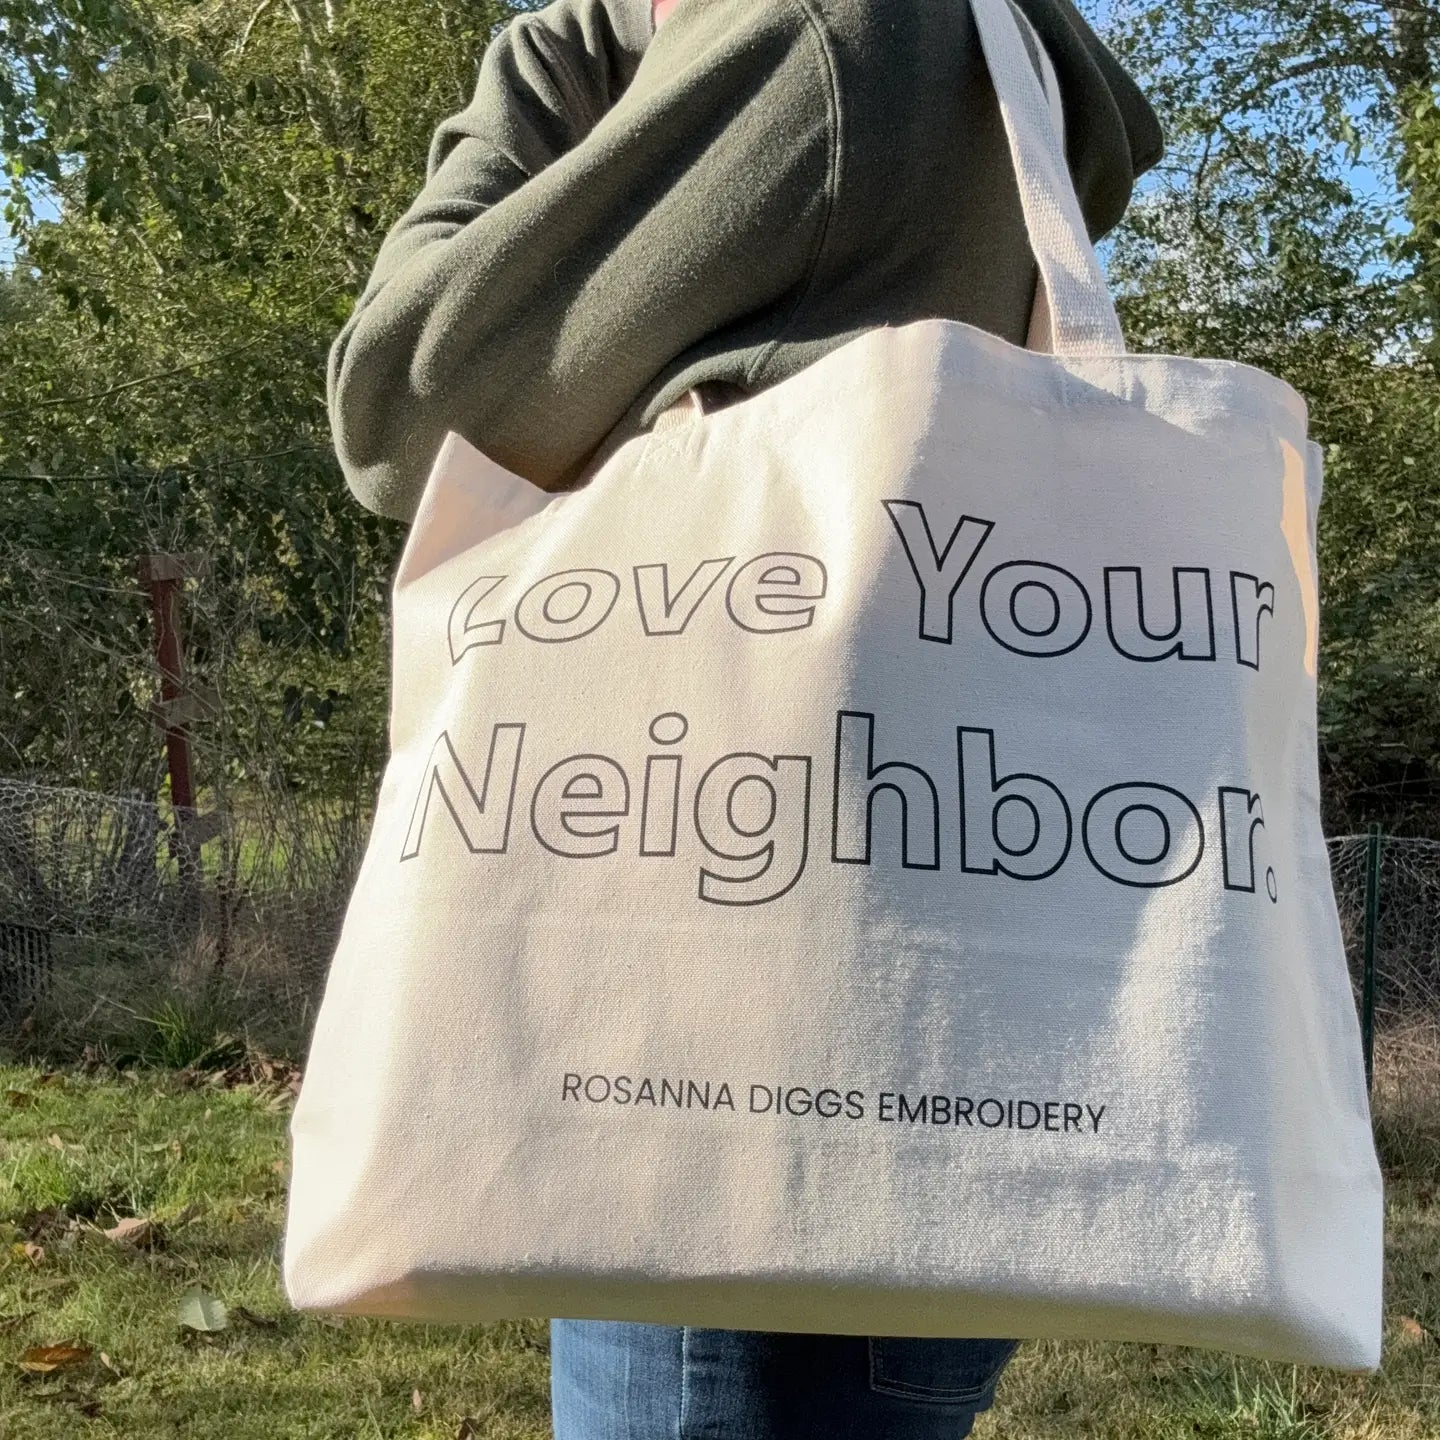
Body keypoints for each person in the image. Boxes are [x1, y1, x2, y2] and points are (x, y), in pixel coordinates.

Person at [326, 0, 1161, 1433]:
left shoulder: (833, 38)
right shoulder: (966, 57)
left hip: (744, 1022)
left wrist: (565, 80)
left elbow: (406, 402)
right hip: (936, 997)